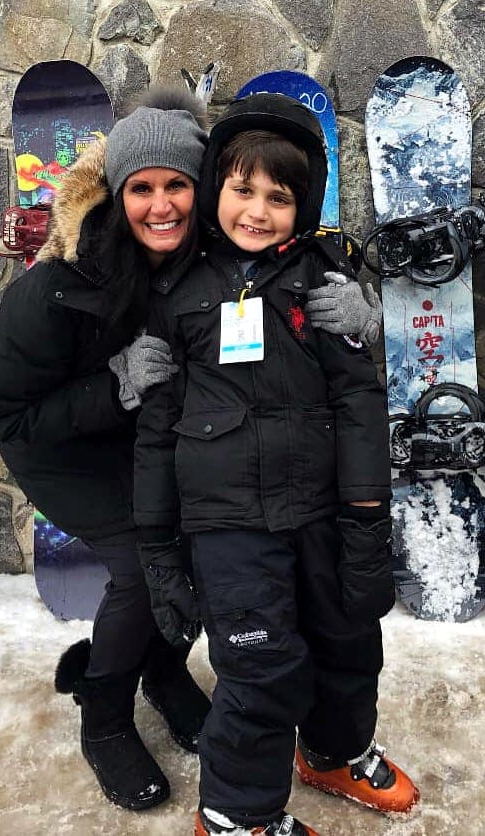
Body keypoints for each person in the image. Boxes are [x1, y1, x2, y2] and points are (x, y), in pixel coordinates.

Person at [0, 88, 382, 814]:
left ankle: (164, 676)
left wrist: (361, 315)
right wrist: (116, 386)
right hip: (64, 444)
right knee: (145, 564)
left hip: (161, 430)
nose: (161, 205)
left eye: (176, 186)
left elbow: (287, 287)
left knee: (204, 548)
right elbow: (9, 411)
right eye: (142, 189)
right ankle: (104, 718)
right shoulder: (59, 286)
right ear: (117, 193)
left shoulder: (209, 248)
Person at [131, 93, 420, 836]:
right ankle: (238, 817)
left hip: (322, 509)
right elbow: (158, 436)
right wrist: (159, 550)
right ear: (215, 189)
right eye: (242, 190)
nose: (257, 211)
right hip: (229, 525)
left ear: (306, 204)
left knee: (350, 640)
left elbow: (360, 407)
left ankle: (332, 752)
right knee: (262, 671)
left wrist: (365, 519)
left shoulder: (327, 284)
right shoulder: (179, 290)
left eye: (279, 198)